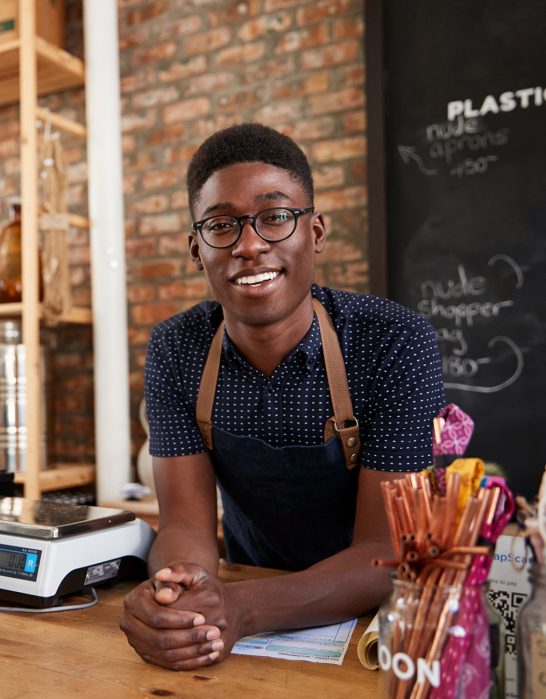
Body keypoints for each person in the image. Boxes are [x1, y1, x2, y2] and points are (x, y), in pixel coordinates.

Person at [120, 123, 445, 671]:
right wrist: (179, 594)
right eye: (222, 225)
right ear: (196, 249)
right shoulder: (176, 348)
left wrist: (240, 609)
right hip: (242, 619)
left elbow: (386, 552)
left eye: (275, 216)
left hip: (375, 629)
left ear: (315, 231)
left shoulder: (394, 342)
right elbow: (185, 526)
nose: (250, 245)